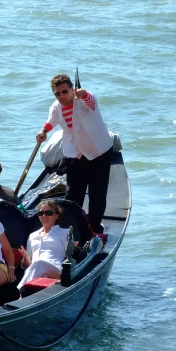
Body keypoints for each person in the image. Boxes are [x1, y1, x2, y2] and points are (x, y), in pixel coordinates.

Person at [36, 73, 114, 235]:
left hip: (98, 153)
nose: (61, 96)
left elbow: (91, 100)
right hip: (75, 155)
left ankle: (94, 229)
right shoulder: (57, 107)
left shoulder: (84, 101)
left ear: (72, 89)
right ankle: (72, 228)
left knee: (97, 195)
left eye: (64, 91)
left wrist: (83, 94)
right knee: (72, 196)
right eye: (57, 93)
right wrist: (43, 131)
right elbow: (52, 121)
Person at [16, 200, 69, 292]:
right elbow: (27, 265)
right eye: (41, 213)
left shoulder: (65, 233)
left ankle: (21, 291)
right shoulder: (33, 236)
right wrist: (25, 259)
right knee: (37, 264)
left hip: (57, 270)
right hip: (36, 271)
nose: (44, 216)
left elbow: (70, 256)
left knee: (39, 263)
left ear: (56, 216)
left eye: (48, 213)